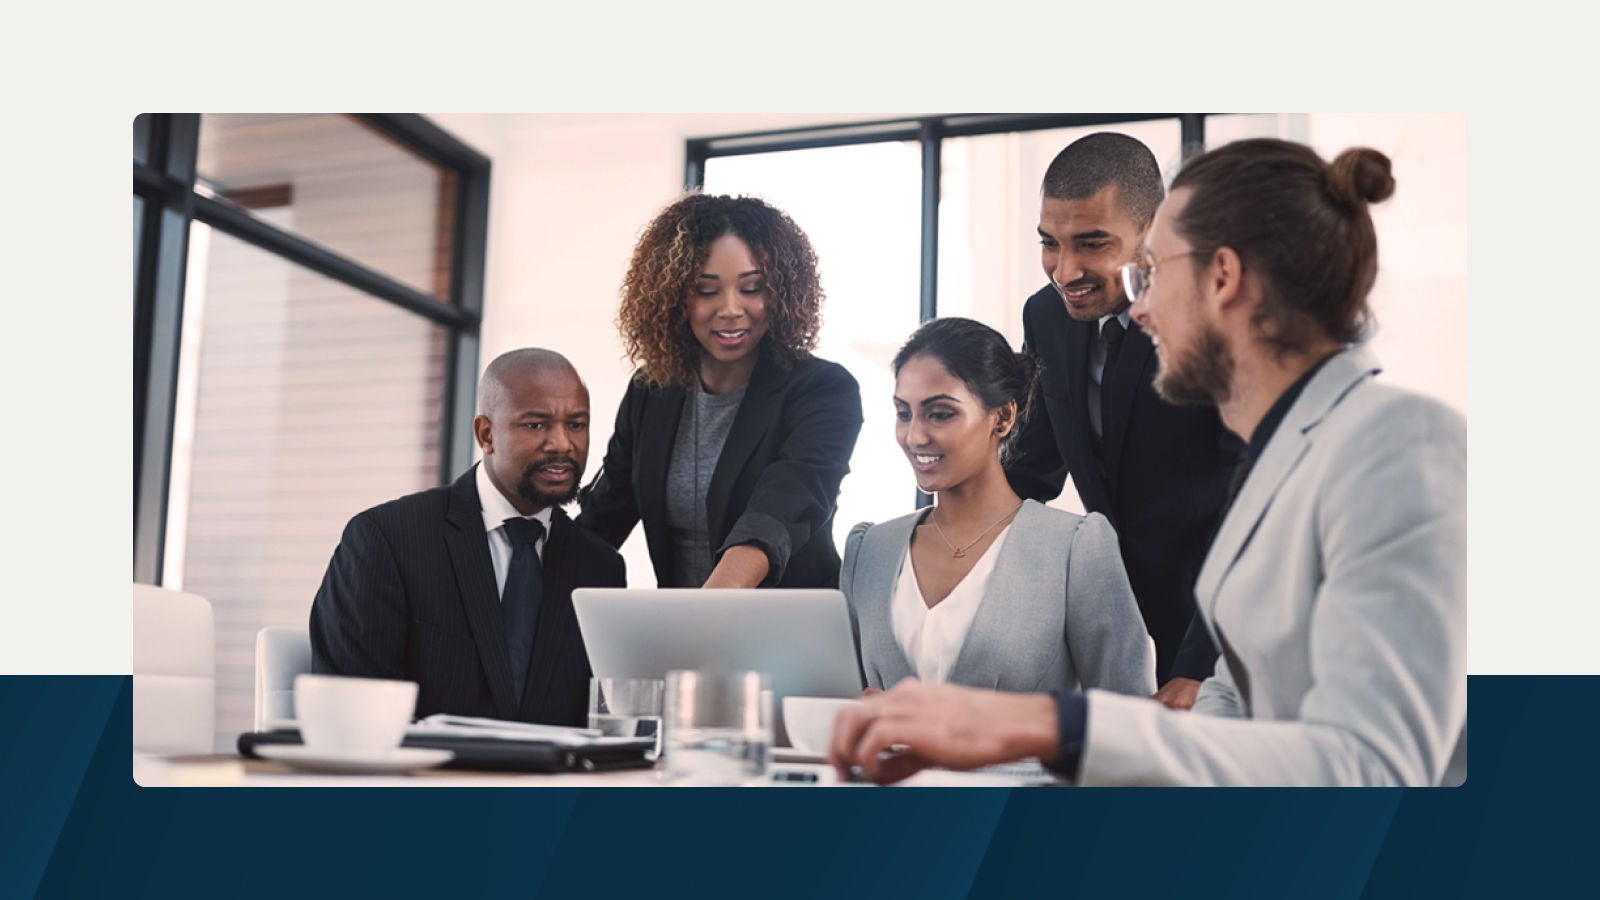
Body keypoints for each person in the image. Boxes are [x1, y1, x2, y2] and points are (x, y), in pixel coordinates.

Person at [830, 139, 1467, 787]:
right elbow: (1232, 711)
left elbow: (1380, 767)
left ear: (1223, 278)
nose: (1138, 308)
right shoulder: (1278, 460)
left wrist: (1052, 725)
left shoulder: (1401, 442)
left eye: (1155, 271)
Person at [1004, 132, 1241, 708]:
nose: (1064, 270)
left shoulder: (1207, 319)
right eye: (1049, 244)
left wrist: (1200, 662)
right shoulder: (1046, 316)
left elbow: (1251, 505)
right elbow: (1031, 470)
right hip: (1118, 632)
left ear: (1152, 230)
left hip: (1225, 635)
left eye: (1091, 244)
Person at [309, 349, 626, 726]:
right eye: (536, 425)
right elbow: (352, 712)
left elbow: (601, 722)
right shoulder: (387, 539)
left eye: (576, 425)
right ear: (486, 434)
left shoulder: (600, 568)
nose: (561, 444)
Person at [842, 318, 1154, 698]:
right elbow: (844, 700)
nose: (915, 435)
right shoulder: (869, 551)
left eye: (940, 414)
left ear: (1003, 417)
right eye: (904, 413)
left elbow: (1126, 720)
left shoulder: (1075, 549)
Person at [578, 194, 863, 589]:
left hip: (791, 632)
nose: (730, 309)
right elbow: (602, 519)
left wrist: (708, 610)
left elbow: (782, 507)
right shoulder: (651, 390)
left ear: (782, 293)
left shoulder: (823, 390)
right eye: (706, 290)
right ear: (674, 297)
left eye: (752, 288)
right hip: (688, 638)